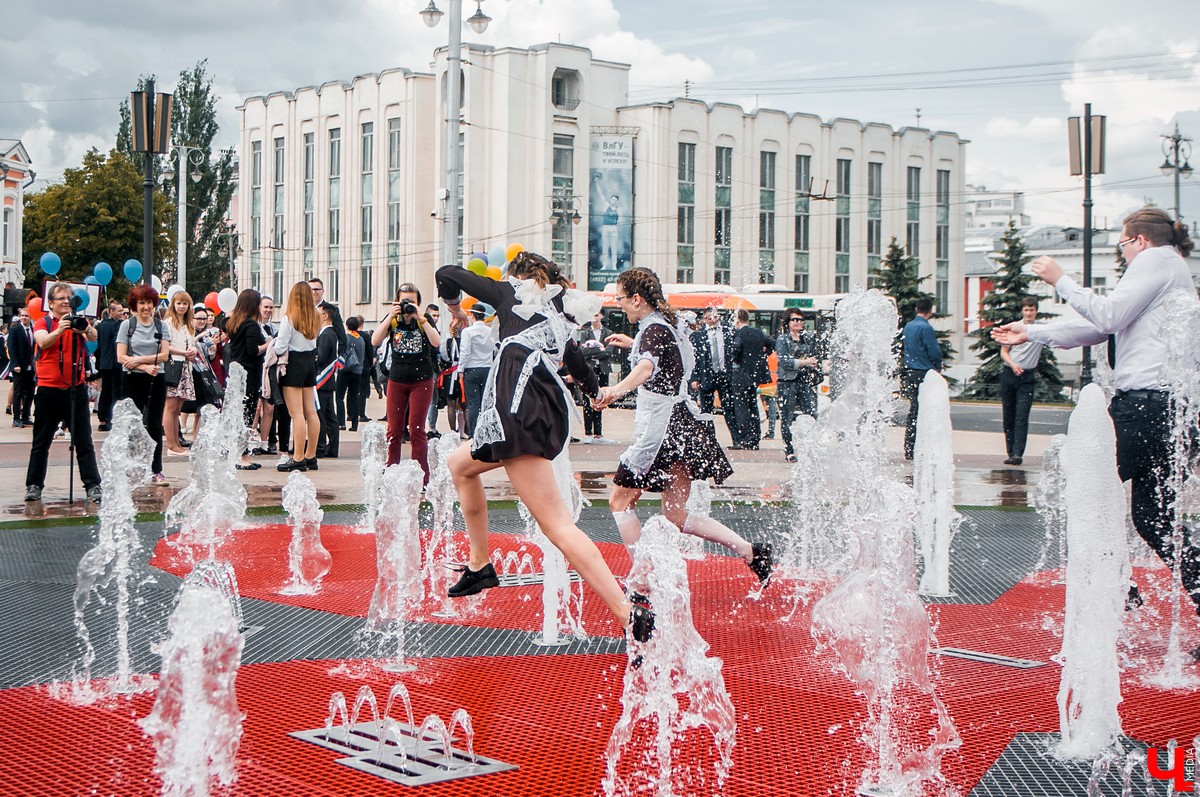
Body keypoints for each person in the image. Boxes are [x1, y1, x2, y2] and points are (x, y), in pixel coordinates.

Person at [992, 208, 1200, 657]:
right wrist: (1032, 331)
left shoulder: (1155, 260)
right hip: (1168, 410)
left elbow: (1106, 316)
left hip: (1145, 406)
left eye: (1122, 245)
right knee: (1152, 518)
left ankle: (1116, 591)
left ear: (1139, 240)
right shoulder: (1170, 269)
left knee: (1086, 489)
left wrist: (1059, 280)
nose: (1121, 255)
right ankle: (1123, 589)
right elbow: (1100, 326)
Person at [436, 251, 653, 647]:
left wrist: (454, 307)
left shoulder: (509, 294)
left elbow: (447, 272)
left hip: (519, 410)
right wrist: (598, 393)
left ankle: (626, 613)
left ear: (518, 277)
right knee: (460, 465)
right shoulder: (558, 314)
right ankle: (480, 563)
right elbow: (578, 364)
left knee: (557, 526)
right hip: (537, 408)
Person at [596, 268, 774, 584]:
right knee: (676, 515)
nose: (619, 304)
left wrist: (615, 390)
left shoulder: (653, 332)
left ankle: (642, 578)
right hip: (683, 423)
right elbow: (664, 349)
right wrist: (633, 341)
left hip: (660, 429)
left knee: (620, 500)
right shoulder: (670, 324)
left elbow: (648, 366)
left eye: (621, 299)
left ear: (636, 299)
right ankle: (750, 551)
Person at [24, 283, 103, 503]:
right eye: (61, 298)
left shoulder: (78, 319)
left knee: (84, 441)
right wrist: (60, 329)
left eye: (69, 297)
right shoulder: (44, 322)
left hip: (75, 389)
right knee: (41, 442)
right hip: (49, 390)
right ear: (50, 303)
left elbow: (94, 336)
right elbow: (42, 341)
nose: (66, 301)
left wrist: (84, 329)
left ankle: (93, 485)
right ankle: (34, 485)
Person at [371, 283, 440, 481]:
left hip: (421, 381)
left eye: (412, 301)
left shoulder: (423, 320)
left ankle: (421, 476)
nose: (408, 305)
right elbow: (374, 340)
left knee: (417, 429)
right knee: (393, 429)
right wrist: (391, 316)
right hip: (397, 380)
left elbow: (437, 342)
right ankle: (391, 471)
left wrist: (421, 318)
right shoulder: (393, 320)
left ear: (419, 302)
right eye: (404, 301)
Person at [116, 283, 172, 485]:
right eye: (141, 303)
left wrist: (139, 361)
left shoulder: (161, 326)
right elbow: (121, 357)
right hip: (131, 379)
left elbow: (164, 355)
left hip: (156, 377)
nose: (146, 307)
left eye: (149, 302)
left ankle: (156, 469)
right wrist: (145, 367)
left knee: (155, 425)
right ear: (135, 305)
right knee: (132, 424)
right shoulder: (127, 326)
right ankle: (132, 466)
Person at [274, 282, 321, 472]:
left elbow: (280, 347)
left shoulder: (289, 318)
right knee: (311, 411)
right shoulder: (316, 317)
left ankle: (298, 457)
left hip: (294, 363)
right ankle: (311, 455)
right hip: (310, 362)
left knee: (296, 413)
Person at [225, 289, 269, 471]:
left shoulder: (233, 322)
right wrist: (269, 344)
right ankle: (242, 455)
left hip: (237, 373)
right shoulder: (250, 325)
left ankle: (238, 452)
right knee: (247, 414)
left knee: (239, 413)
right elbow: (253, 350)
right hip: (249, 374)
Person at [999, 297, 1042, 466]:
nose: (1029, 313)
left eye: (1031, 310)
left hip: (1027, 376)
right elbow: (1004, 351)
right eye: (1026, 310)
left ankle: (1018, 453)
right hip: (1010, 372)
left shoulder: (1040, 331)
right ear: (1022, 311)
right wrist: (1012, 364)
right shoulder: (1014, 328)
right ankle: (1010, 451)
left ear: (1036, 311)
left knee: (1022, 416)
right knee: (1008, 415)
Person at [775, 308, 822, 463]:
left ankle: (812, 447)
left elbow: (814, 356)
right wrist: (804, 362)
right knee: (787, 417)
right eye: (795, 320)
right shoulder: (783, 339)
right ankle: (789, 450)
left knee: (812, 413)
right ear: (787, 322)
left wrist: (814, 363)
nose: (799, 323)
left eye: (801, 320)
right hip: (787, 382)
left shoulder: (807, 339)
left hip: (804, 381)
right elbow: (784, 362)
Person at [901, 297, 943, 460]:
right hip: (924, 372)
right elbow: (933, 350)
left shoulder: (908, 327)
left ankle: (909, 446)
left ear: (916, 309)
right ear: (930, 311)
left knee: (914, 409)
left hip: (910, 371)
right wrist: (937, 364)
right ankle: (922, 446)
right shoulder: (925, 328)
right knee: (925, 410)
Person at [728, 309, 774, 450]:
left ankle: (744, 439)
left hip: (741, 374)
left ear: (737, 320)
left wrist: (735, 358)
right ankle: (755, 438)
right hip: (755, 375)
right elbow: (771, 342)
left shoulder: (739, 333)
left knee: (741, 407)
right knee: (753, 405)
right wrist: (763, 355)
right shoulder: (758, 332)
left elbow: (736, 347)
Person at [162, 291, 200, 457]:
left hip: (185, 366)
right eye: (179, 303)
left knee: (178, 407)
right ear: (173, 304)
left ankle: (177, 442)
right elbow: (165, 346)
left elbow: (191, 344)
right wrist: (184, 352)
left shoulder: (189, 325)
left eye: (185, 303)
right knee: (170, 407)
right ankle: (171, 444)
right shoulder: (169, 322)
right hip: (173, 365)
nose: (182, 306)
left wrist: (192, 351)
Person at [691, 308, 735, 440]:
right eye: (709, 317)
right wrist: (694, 378)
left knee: (729, 408)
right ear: (704, 319)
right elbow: (694, 358)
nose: (713, 320)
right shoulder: (697, 336)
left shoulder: (728, 332)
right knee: (706, 409)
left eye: (715, 317)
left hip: (724, 376)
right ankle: (709, 438)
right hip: (706, 376)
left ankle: (737, 439)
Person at [576, 314, 616, 444]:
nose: (594, 317)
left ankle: (598, 434)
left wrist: (594, 352)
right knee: (588, 400)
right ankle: (588, 433)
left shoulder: (608, 332)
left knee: (601, 399)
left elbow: (609, 352)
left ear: (601, 316)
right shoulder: (585, 333)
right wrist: (600, 350)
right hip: (589, 370)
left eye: (597, 314)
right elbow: (583, 351)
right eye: (592, 315)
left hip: (603, 369)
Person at [457, 303, 493, 436]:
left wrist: (460, 369)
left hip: (471, 369)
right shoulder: (490, 331)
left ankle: (473, 433)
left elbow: (465, 352)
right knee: (486, 403)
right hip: (487, 369)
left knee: (473, 404)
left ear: (472, 315)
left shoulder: (468, 332)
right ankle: (485, 432)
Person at [314, 301, 341, 460]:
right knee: (330, 416)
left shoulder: (325, 334)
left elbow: (322, 358)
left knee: (321, 415)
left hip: (323, 381)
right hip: (329, 381)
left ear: (324, 316)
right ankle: (332, 448)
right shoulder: (332, 333)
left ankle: (320, 447)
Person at [95, 301, 125, 432]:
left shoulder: (100, 326)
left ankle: (103, 418)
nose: (122, 313)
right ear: (111, 312)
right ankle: (113, 418)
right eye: (119, 311)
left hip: (104, 363)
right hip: (115, 363)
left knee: (105, 391)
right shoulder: (117, 326)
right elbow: (117, 344)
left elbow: (97, 346)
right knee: (115, 392)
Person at [8, 306, 35, 428]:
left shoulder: (34, 330)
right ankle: (16, 418)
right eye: (22, 315)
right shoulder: (15, 330)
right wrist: (16, 364)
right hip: (19, 366)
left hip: (31, 366)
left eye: (26, 316)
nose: (24, 318)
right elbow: (12, 349)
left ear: (31, 317)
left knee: (29, 393)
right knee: (18, 392)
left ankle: (25, 417)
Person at [341, 316, 366, 432]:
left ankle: (341, 422)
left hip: (346, 370)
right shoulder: (361, 339)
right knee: (354, 397)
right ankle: (354, 424)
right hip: (358, 371)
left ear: (347, 326)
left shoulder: (347, 338)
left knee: (339, 397)